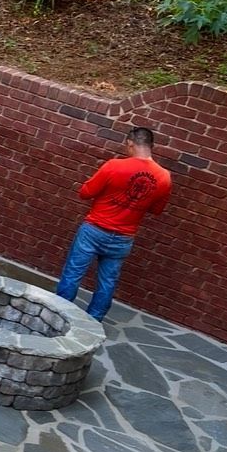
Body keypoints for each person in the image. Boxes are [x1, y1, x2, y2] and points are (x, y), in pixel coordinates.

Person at [55, 126, 171, 322]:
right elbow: (156, 210)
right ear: (152, 146)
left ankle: (56, 315)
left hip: (94, 229)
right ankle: (93, 324)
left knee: (73, 273)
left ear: (130, 143)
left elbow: (85, 193)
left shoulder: (114, 166)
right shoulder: (164, 177)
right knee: (107, 282)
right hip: (124, 238)